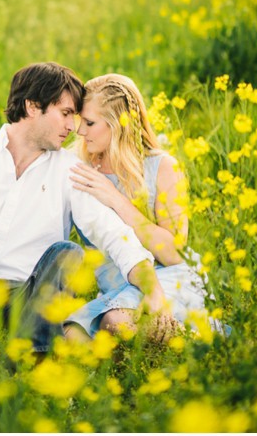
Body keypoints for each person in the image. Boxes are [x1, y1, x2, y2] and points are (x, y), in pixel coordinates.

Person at [0, 62, 175, 352]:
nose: (73, 127)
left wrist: (151, 288)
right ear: (31, 106)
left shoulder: (70, 170)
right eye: (65, 114)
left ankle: (32, 361)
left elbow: (112, 233)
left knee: (66, 254)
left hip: (28, 297)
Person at [64, 74, 212, 342]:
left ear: (117, 124)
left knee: (115, 321)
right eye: (79, 121)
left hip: (168, 278)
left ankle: (196, 345)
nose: (80, 131)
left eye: (89, 123)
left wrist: (116, 200)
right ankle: (153, 354)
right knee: (70, 337)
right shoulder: (79, 168)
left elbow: (174, 253)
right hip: (116, 289)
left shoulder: (162, 167)